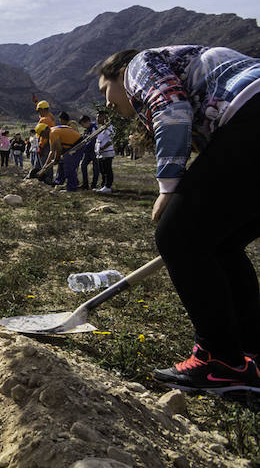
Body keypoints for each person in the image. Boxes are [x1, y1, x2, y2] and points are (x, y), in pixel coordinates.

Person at [98, 45, 260, 394]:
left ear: (118, 72)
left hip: (253, 114)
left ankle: (219, 360)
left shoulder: (138, 66)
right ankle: (248, 355)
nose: (108, 104)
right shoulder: (182, 66)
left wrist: (168, 186)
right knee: (222, 244)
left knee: (177, 236)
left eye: (104, 90)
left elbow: (171, 107)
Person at [38, 111, 83, 191]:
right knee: (61, 165)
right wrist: (45, 166)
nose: (43, 137)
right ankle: (59, 183)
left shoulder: (53, 133)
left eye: (42, 135)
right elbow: (51, 151)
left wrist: (56, 158)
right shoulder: (52, 132)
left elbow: (58, 148)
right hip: (70, 146)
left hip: (77, 145)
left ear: (44, 131)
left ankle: (71, 188)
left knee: (69, 167)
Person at [94, 111, 115, 193]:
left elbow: (111, 140)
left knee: (107, 169)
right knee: (102, 170)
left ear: (104, 117)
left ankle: (108, 186)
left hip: (107, 151)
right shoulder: (101, 128)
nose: (97, 119)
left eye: (99, 117)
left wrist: (103, 147)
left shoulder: (109, 127)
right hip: (100, 152)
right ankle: (103, 185)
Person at [78, 114, 99, 190]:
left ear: (87, 122)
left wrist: (84, 145)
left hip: (94, 151)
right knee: (83, 165)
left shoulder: (94, 128)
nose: (83, 126)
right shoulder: (86, 130)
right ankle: (85, 184)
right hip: (87, 152)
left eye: (83, 124)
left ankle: (94, 184)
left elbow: (93, 140)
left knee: (95, 168)